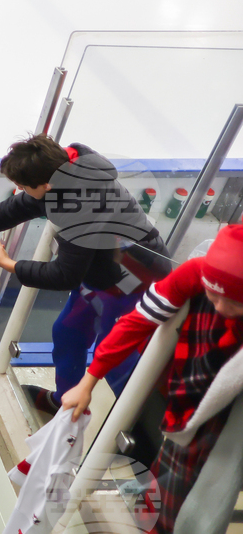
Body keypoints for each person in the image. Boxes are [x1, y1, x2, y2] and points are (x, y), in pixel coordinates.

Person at [0, 134, 172, 412]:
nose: (19, 190)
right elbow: (18, 206)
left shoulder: (77, 207)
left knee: (114, 356)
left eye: (22, 186)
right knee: (68, 332)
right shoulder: (67, 164)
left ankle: (139, 428)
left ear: (46, 185)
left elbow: (63, 276)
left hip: (136, 281)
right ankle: (66, 403)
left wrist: (8, 263)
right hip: (103, 272)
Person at [61, 225, 243, 534]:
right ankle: (151, 514)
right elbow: (137, 321)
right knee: (175, 464)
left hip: (228, 409)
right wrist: (87, 382)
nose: (222, 309)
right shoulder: (195, 272)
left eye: (238, 305)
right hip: (189, 393)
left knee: (211, 485)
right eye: (212, 296)